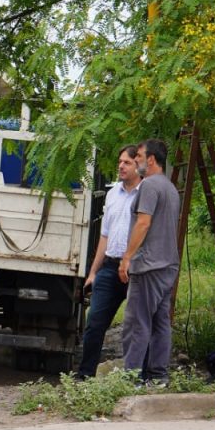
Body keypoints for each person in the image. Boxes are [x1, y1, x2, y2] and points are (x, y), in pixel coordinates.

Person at [74, 144, 142, 380]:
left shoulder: (146, 193)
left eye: (127, 162)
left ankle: (137, 377)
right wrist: (94, 271)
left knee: (136, 327)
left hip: (136, 269)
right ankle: (84, 376)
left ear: (139, 165)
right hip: (110, 266)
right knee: (94, 323)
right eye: (120, 162)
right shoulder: (113, 193)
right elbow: (105, 235)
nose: (121, 166)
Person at [119, 139, 181, 386]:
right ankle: (158, 377)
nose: (136, 161)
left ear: (151, 160)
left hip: (148, 265)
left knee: (136, 323)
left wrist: (127, 258)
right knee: (160, 323)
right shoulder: (170, 188)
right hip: (168, 265)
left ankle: (130, 379)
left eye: (140, 157)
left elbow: (143, 223)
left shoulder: (150, 186)